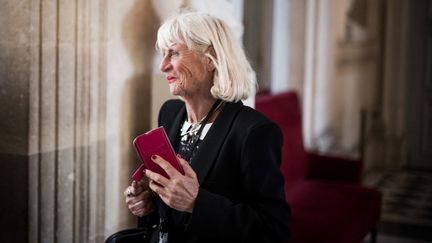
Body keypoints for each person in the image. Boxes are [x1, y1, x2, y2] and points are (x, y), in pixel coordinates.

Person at [124, 12, 290, 243]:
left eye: (173, 53)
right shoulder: (169, 114)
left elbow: (272, 231)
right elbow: (169, 208)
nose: (163, 66)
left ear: (210, 58)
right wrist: (150, 202)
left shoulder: (254, 131)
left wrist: (196, 202)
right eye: (162, 54)